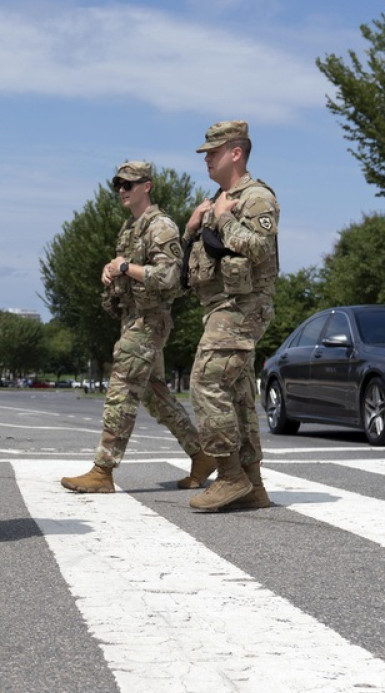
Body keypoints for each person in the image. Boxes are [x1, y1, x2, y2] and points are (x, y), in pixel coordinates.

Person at [60, 162, 214, 493]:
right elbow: (127, 268)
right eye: (118, 185)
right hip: (132, 318)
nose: (122, 190)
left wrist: (126, 267)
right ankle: (201, 455)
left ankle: (103, 470)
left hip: (149, 321)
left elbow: (170, 277)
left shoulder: (161, 227)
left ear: (147, 186)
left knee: (121, 389)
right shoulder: (130, 227)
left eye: (128, 184)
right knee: (155, 396)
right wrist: (111, 270)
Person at [181, 121, 279, 512]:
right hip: (220, 307)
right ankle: (253, 485)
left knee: (205, 381)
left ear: (236, 153)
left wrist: (223, 219)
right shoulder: (217, 199)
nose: (206, 159)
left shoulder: (255, 198)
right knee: (238, 396)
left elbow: (259, 247)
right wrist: (191, 230)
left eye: (213, 152)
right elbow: (198, 262)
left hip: (243, 306)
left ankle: (230, 474)